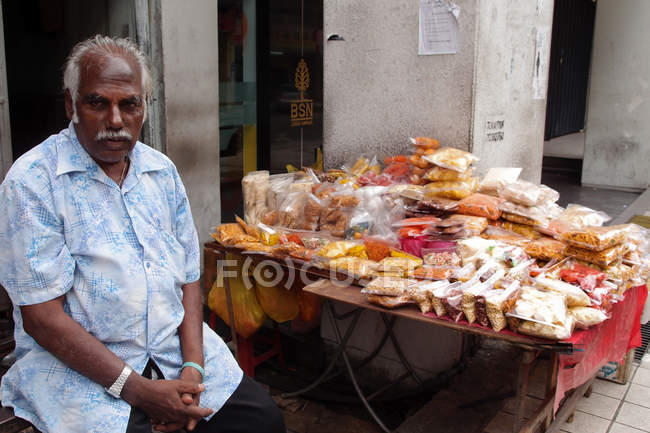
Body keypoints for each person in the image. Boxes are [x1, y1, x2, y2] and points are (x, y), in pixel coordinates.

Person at [0, 35, 285, 433]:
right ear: (70, 105)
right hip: (81, 372)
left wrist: (191, 371)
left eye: (129, 104)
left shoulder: (161, 172)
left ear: (144, 107)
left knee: (263, 421)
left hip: (173, 350)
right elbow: (42, 318)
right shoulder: (33, 182)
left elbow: (188, 280)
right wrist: (139, 391)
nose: (115, 120)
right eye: (98, 103)